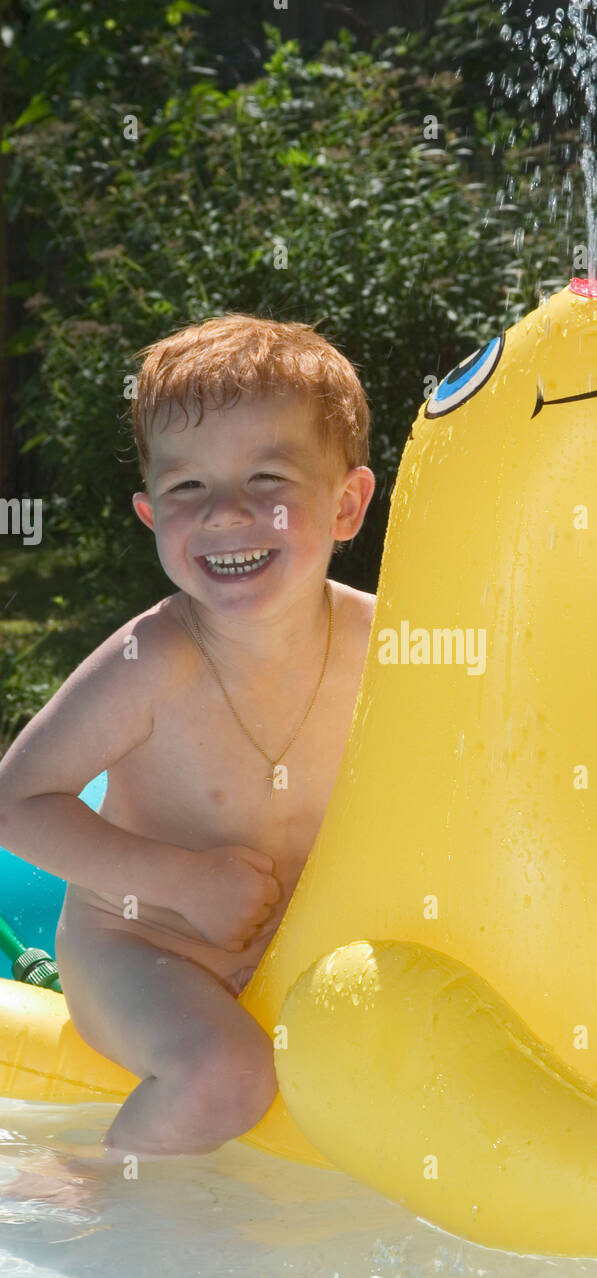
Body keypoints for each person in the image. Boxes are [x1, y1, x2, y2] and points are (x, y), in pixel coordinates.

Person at [0, 313, 377, 1160]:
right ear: (149, 512)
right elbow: (16, 802)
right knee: (226, 1076)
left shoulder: (388, 649)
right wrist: (179, 883)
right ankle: (98, 1196)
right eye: (187, 490)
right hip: (139, 948)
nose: (226, 514)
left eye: (267, 476)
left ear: (347, 503)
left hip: (295, 953)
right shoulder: (153, 659)